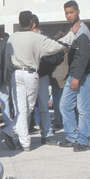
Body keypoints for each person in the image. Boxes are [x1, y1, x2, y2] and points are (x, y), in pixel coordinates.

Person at [0, 11, 79, 151]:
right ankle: (20, 139)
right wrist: (72, 34)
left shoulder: (12, 37)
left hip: (16, 73)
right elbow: (57, 45)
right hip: (31, 74)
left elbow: (7, 58)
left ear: (19, 22)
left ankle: (16, 135)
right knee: (28, 108)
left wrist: (12, 71)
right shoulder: (36, 37)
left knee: (22, 109)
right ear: (32, 22)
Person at [59, 1, 90, 152]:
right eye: (66, 13)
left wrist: (77, 78)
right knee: (64, 105)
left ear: (78, 12)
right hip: (73, 75)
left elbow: (85, 57)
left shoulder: (82, 32)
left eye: (71, 12)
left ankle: (84, 140)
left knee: (83, 108)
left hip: (82, 76)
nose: (68, 15)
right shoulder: (73, 30)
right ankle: (72, 136)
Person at [31, 16, 65, 146]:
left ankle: (47, 134)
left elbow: (59, 54)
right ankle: (23, 137)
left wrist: (46, 65)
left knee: (44, 107)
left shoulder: (46, 38)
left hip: (42, 76)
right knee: (26, 107)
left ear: (32, 24)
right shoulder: (26, 37)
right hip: (28, 75)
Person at [0, 33, 12, 129]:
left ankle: (8, 122)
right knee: (17, 101)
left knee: (4, 99)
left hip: (2, 76)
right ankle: (18, 122)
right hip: (14, 74)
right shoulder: (14, 43)